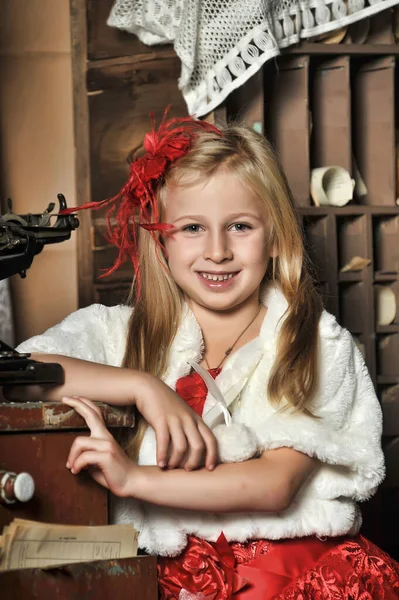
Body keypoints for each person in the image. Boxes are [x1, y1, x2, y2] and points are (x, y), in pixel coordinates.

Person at [6, 112, 399, 599]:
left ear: (275, 235)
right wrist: (141, 386)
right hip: (162, 581)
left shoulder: (312, 342)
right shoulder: (119, 333)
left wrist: (133, 478)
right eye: (192, 227)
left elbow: (272, 487)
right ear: (160, 239)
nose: (217, 251)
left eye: (239, 226)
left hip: (290, 581)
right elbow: (16, 372)